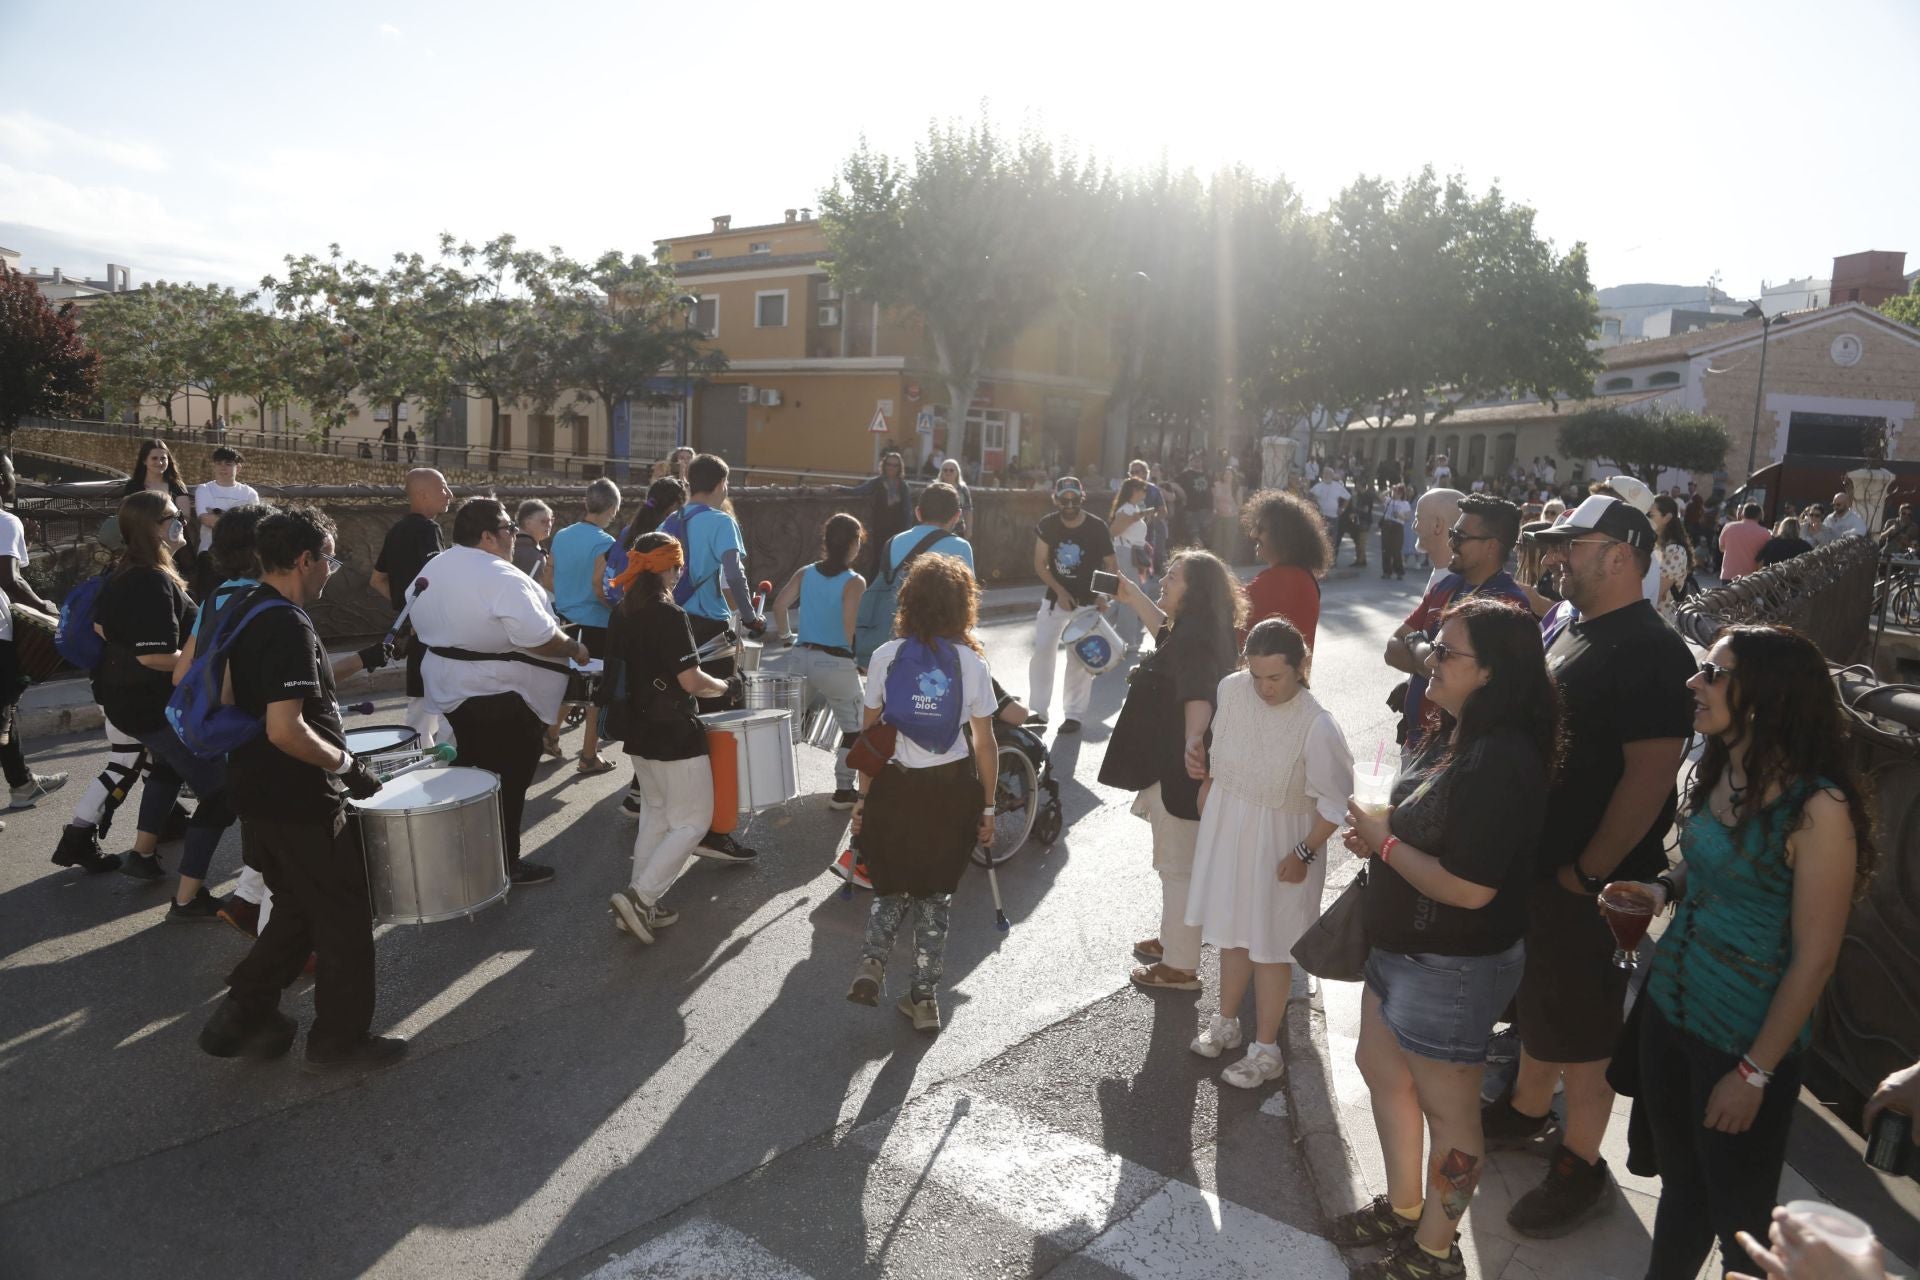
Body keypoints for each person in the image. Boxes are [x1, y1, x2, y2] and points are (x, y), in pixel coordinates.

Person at [1614, 625, 1874, 1278]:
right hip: (1671, 1010)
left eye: (1713, 672)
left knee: (1741, 1226)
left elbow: (1816, 958)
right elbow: (1709, 866)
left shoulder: (1819, 808)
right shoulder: (1723, 766)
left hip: (1742, 1040)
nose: (1693, 682)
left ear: (1766, 694)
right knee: (1681, 1187)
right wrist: (1660, 887)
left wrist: (1754, 1072)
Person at [1483, 495, 1695, 1238]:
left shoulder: (1651, 650)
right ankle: (1526, 1110)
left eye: (1575, 544)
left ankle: (1580, 1161)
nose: (1558, 555)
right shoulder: (1579, 626)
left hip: (1596, 885)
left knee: (1587, 1028)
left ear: (1621, 555)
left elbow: (1650, 777)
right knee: (1547, 1000)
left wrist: (1588, 871)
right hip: (1553, 869)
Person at [1334, 598, 1561, 1280]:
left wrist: (1385, 841)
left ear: (1493, 672)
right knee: (1384, 1074)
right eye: (1434, 645)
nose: (1430, 658)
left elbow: (1470, 888)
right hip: (1400, 948)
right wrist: (1386, 839)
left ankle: (1435, 1251)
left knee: (1451, 1111)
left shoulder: (1503, 758)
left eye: (1447, 651)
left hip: (1453, 965)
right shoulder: (1458, 731)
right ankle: (1405, 1209)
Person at [195, 505, 402, 1072]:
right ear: (306, 559)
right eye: (329, 560)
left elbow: (232, 696)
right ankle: (339, 1040)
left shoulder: (241, 605)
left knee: (297, 909)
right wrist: (346, 765)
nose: (332, 571)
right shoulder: (285, 622)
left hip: (256, 789)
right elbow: (286, 728)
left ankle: (244, 1013)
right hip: (300, 797)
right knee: (344, 918)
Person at [1185, 618, 1353, 1089]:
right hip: (1230, 830)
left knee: (1271, 946)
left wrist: (1304, 852)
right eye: (1256, 675)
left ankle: (1266, 1050)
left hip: (1282, 844)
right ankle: (1227, 1022)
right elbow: (1226, 749)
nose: (1263, 687)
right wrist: (1208, 776)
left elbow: (1336, 803)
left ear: (1302, 667)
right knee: (1234, 933)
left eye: (1275, 677)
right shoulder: (1231, 688)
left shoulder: (1317, 725)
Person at [844, 553, 1000, 1033]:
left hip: (895, 786)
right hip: (950, 791)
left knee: (891, 886)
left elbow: (869, 740)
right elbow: (985, 743)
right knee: (934, 897)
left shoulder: (887, 657)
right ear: (962, 606)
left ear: (908, 602)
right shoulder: (971, 663)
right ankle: (925, 998)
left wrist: (863, 800)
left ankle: (873, 961)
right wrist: (989, 807)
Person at [411, 497, 592, 887]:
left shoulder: (435, 565)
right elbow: (540, 637)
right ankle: (504, 864)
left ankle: (469, 857)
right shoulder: (501, 576)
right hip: (498, 695)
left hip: (450, 689)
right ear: (489, 536)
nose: (515, 535)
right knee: (507, 783)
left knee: (473, 773)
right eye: (510, 528)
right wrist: (575, 648)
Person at [1098, 551, 1243, 992]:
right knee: (1182, 859)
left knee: (1178, 864)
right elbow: (1166, 633)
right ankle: (1173, 939)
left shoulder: (1197, 637)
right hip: (1177, 762)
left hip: (1179, 767)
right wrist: (1134, 595)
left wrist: (1193, 740)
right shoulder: (1200, 629)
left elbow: (1198, 689)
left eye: (1173, 576)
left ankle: (1180, 967)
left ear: (1194, 589)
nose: (1164, 579)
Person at [599, 532, 731, 943]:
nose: (682, 572)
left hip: (637, 731)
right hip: (673, 731)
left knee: (656, 815)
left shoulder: (622, 611)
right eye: (679, 565)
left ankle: (640, 906)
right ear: (668, 569)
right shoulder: (670, 616)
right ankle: (640, 898)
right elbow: (691, 681)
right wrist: (727, 686)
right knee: (693, 822)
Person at [85, 492, 203, 886]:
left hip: (129, 700)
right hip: (150, 705)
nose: (181, 520)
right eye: (173, 516)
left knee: (166, 770)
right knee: (219, 790)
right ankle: (191, 894)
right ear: (152, 528)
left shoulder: (129, 571)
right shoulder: (150, 580)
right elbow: (153, 657)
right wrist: (208, 662)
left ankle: (142, 854)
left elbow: (102, 626)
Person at [659, 455, 763, 862]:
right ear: (721, 484)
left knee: (681, 715)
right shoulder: (721, 522)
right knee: (719, 725)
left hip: (673, 623)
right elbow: (733, 576)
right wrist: (752, 617)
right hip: (710, 629)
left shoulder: (670, 522)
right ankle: (715, 831)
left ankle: (674, 815)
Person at [1385, 494, 1528, 757]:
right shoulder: (1446, 585)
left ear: (1491, 547)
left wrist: (1418, 648)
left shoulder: (1507, 605)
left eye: (1460, 537)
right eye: (1452, 533)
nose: (1451, 543)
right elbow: (1392, 648)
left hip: (1456, 753)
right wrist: (1434, 660)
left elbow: (1479, 684)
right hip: (1416, 744)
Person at [770, 513, 868, 810]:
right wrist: (858, 660)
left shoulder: (806, 572)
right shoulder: (855, 582)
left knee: (790, 725)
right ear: (853, 544)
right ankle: (842, 790)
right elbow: (849, 625)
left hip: (800, 658)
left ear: (825, 541)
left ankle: (775, 784)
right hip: (835, 662)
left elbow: (778, 605)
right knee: (856, 729)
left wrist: (788, 637)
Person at [1, 452, 68, 818]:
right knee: (4, 709)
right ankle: (23, 783)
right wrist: (45, 606)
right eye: (12, 473)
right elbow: (9, 579)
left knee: (5, 711)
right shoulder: (5, 520)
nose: (16, 478)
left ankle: (23, 782)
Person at [1027, 476, 1117, 735]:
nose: (1069, 504)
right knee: (1043, 652)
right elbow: (1039, 563)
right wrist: (1060, 590)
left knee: (1079, 660)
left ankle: (1074, 715)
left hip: (1088, 602)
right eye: (1064, 499)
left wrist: (1104, 596)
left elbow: (1112, 566)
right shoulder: (1048, 524)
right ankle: (1038, 711)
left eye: (1073, 499)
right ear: (1056, 499)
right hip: (1055, 600)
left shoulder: (1097, 527)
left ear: (1081, 499)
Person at [371, 468, 453, 746]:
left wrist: (407, 611)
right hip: (434, 631)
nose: (449, 494)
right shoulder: (429, 529)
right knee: (446, 700)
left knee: (419, 703)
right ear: (423, 494)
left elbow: (377, 580)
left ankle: (414, 757)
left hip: (414, 629)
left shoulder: (396, 530)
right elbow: (438, 578)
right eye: (443, 488)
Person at [548, 478, 622, 774]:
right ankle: (589, 756)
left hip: (565, 622)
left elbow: (547, 577)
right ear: (613, 509)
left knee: (572, 687)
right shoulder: (607, 544)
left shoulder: (562, 535)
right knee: (596, 697)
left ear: (586, 503)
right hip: (595, 624)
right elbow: (602, 589)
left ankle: (551, 734)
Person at [1242, 489, 1331, 649]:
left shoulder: (1281, 581)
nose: (1253, 534)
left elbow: (1231, 614)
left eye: (1261, 528)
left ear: (1283, 536)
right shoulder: (1300, 576)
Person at [190, 446, 259, 596]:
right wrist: (238, 520)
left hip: (241, 556)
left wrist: (218, 514)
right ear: (213, 465)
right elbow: (205, 518)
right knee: (209, 599)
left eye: (228, 463)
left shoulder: (249, 494)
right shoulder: (204, 489)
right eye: (219, 463)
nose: (223, 467)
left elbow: (253, 525)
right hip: (210, 553)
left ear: (238, 467)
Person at [1109, 478, 1155, 656]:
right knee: (1129, 595)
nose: (1144, 493)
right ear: (1133, 491)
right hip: (1124, 553)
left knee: (1123, 596)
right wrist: (1138, 516)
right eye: (1142, 489)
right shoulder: (1126, 509)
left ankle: (1102, 626)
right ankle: (1125, 639)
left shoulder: (1133, 509)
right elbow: (1113, 531)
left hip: (1132, 553)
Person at [848, 449, 913, 568]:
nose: (891, 467)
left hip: (898, 531)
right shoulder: (876, 483)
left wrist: (908, 533)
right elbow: (857, 491)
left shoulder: (903, 486)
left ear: (900, 467)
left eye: (895, 465)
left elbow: (907, 511)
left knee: (895, 561)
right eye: (889, 464)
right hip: (879, 530)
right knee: (878, 560)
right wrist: (838, 488)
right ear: (884, 465)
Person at [1651, 493, 1694, 622]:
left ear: (1667, 518)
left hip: (1661, 623)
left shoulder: (1675, 551)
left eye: (1651, 515)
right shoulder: (1652, 544)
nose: (1646, 518)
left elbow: (1656, 593)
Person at [1411, 488, 1466, 587]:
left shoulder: (1453, 588)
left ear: (1437, 525)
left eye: (1418, 519)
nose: (1414, 527)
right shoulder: (1445, 576)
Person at [1719, 504, 1772, 581]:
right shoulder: (1765, 533)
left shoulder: (1729, 527)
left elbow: (1721, 548)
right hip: (1750, 578)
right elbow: (1766, 556)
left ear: (1743, 513)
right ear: (1759, 516)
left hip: (1728, 574)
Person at [511, 499, 554, 591]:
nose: (549, 525)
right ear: (527, 522)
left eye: (551, 520)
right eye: (544, 521)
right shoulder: (535, 555)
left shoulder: (505, 547)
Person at [1309, 470, 1352, 558]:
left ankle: (1331, 559)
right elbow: (1310, 495)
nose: (1326, 476)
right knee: (1319, 537)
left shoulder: (1337, 486)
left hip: (1333, 517)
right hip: (1321, 516)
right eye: (1325, 474)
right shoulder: (1319, 486)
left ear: (1332, 476)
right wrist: (1314, 504)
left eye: (1329, 474)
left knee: (1332, 539)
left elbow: (1348, 497)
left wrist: (1342, 508)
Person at [1175, 452, 1213, 547]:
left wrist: (1214, 508)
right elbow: (1173, 484)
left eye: (1199, 460)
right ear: (1190, 462)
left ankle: (1205, 558)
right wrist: (1182, 495)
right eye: (1194, 460)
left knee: (1205, 536)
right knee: (1194, 536)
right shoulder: (1185, 475)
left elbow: (1213, 490)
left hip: (1206, 510)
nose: (1197, 462)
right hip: (1191, 510)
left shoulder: (1207, 475)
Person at [1380, 484, 1413, 580]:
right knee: (1386, 550)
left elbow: (1407, 518)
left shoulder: (1405, 503)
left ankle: (1399, 571)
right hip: (1386, 525)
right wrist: (1389, 489)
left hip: (1397, 526)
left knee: (1396, 550)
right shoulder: (1389, 501)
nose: (1395, 493)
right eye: (1394, 491)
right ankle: (1386, 572)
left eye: (1397, 491)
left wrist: (1399, 515)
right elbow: (1380, 496)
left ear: (1401, 493)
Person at [936, 457, 973, 538]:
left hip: (958, 529)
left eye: (951, 470)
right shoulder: (936, 488)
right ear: (941, 472)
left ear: (957, 472)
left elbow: (968, 509)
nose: (948, 472)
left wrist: (969, 528)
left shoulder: (963, 489)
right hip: (938, 529)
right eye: (945, 470)